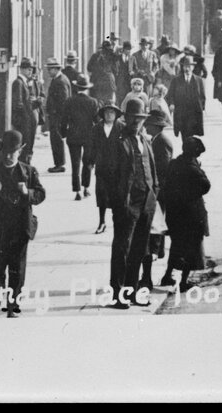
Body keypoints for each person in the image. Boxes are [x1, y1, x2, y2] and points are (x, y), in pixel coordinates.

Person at [0, 129, 45, 317]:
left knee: (17, 269)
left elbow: (41, 194)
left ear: (20, 151)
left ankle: (13, 305)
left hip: (19, 228)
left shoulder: (28, 171)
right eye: (6, 152)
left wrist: (28, 193)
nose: (9, 156)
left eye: (13, 152)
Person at [108, 96, 160, 308]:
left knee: (139, 248)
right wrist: (119, 201)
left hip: (147, 200)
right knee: (122, 248)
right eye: (132, 118)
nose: (136, 123)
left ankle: (132, 291)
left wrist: (154, 192)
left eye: (139, 119)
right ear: (126, 119)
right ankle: (118, 294)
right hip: (127, 202)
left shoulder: (145, 141)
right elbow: (107, 174)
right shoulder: (118, 142)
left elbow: (153, 170)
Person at [162, 136, 213, 289]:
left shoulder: (174, 164)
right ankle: (183, 282)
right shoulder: (192, 168)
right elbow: (206, 185)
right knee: (191, 249)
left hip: (175, 213)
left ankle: (167, 275)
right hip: (191, 214)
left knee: (176, 246)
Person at [145, 107, 180, 291]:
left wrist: (156, 189)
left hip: (160, 192)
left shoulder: (162, 142)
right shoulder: (156, 140)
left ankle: (156, 252)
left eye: (148, 125)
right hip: (158, 191)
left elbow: (163, 169)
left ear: (156, 126)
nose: (146, 127)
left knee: (155, 227)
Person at [60, 76, 101, 199]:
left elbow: (63, 121)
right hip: (89, 137)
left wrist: (63, 134)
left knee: (75, 164)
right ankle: (86, 188)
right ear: (87, 88)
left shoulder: (69, 101)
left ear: (77, 87)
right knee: (87, 163)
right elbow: (97, 121)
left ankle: (76, 191)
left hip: (73, 136)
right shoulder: (93, 102)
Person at [91, 100, 122, 232]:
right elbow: (91, 148)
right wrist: (90, 162)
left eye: (112, 112)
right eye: (107, 112)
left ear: (116, 114)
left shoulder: (121, 128)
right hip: (102, 167)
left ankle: (118, 222)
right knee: (102, 194)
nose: (109, 115)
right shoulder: (96, 128)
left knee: (117, 195)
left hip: (117, 168)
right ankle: (102, 221)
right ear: (102, 114)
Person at [169, 52, 206, 143]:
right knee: (184, 134)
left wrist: (202, 108)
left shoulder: (198, 80)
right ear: (182, 67)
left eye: (189, 66)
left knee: (191, 134)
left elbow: (202, 96)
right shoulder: (176, 80)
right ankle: (187, 152)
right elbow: (170, 95)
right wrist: (172, 104)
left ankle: (189, 153)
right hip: (181, 113)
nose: (187, 68)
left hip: (194, 112)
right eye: (185, 66)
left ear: (193, 67)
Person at [43, 59, 71, 174]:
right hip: (57, 115)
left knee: (56, 140)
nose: (48, 71)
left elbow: (63, 100)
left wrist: (55, 113)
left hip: (57, 116)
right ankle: (59, 163)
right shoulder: (60, 79)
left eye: (50, 69)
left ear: (56, 69)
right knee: (56, 139)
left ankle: (59, 164)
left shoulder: (60, 81)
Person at [11, 57, 39, 165]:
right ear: (21, 69)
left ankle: (27, 165)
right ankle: (24, 165)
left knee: (28, 145)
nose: (30, 71)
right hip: (23, 121)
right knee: (25, 146)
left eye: (31, 69)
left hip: (28, 120)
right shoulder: (18, 83)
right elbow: (18, 103)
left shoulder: (27, 83)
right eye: (28, 69)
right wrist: (28, 110)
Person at [88, 39, 119, 107]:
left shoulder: (95, 55)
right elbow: (116, 71)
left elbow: (89, 68)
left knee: (96, 103)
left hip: (96, 83)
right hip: (108, 83)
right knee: (108, 103)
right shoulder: (112, 56)